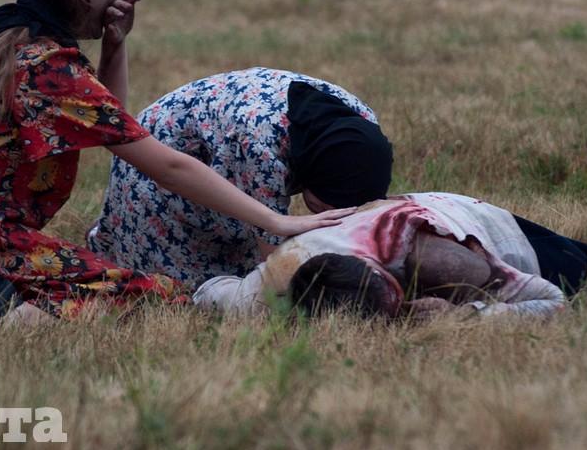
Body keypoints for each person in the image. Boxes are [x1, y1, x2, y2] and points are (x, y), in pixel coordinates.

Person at [0, 0, 353, 322]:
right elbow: (166, 165)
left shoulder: (4, 38)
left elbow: (112, 129)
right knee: (154, 296)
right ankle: (5, 314)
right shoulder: (45, 67)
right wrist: (276, 221)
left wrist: (114, 46)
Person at [89, 67, 393, 286]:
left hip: (229, 146)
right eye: (328, 208)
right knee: (180, 288)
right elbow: (273, 266)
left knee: (241, 253)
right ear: (312, 177)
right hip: (159, 161)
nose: (333, 217)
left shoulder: (361, 123)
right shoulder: (262, 146)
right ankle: (107, 239)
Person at [194, 193, 587, 319]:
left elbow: (553, 301)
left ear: (387, 274)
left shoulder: (446, 262)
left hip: (466, 220)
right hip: (379, 220)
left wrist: (467, 316)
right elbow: (207, 290)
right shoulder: (265, 291)